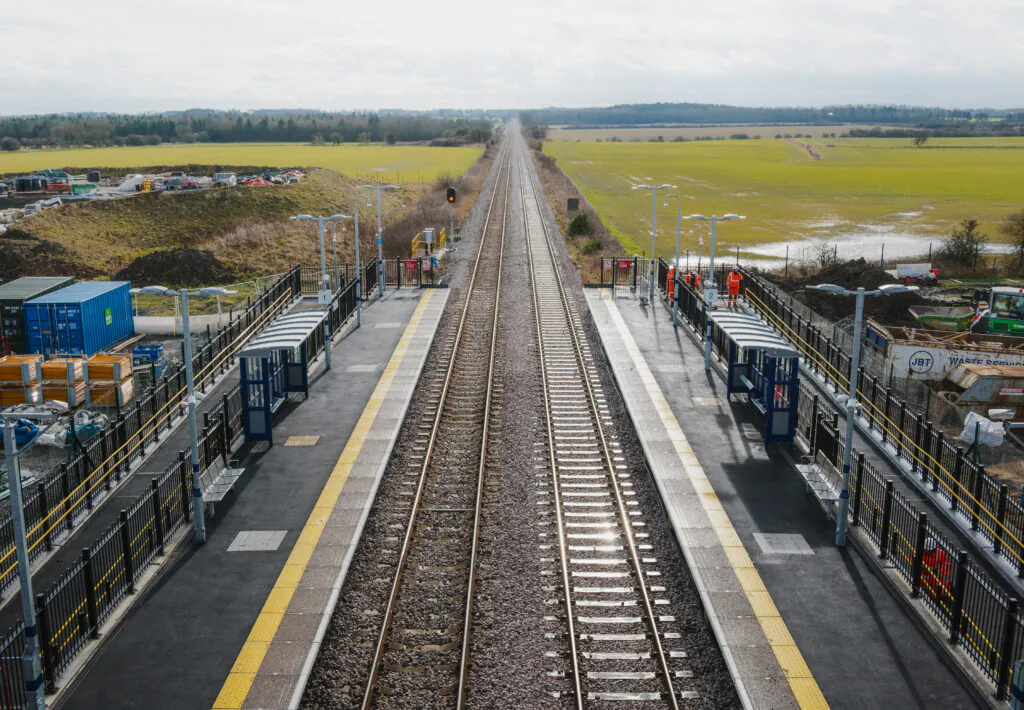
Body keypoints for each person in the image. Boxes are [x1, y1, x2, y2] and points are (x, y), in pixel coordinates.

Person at [921, 537, 952, 604]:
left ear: (934, 549)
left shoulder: (940, 554)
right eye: (927, 550)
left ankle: (948, 587)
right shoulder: (920, 551)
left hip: (935, 579)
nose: (928, 552)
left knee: (938, 594)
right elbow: (913, 561)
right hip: (922, 577)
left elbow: (947, 567)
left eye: (930, 551)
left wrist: (939, 569)